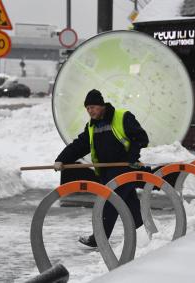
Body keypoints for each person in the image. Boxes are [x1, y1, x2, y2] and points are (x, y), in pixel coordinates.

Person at [54, 89, 149, 247]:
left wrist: (132, 158)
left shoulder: (122, 117)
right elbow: (79, 146)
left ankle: (99, 238)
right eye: (87, 108)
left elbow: (140, 139)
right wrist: (61, 159)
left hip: (124, 168)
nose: (90, 111)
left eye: (92, 107)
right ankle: (144, 232)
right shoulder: (92, 126)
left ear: (101, 105)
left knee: (109, 202)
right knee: (129, 202)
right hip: (107, 172)